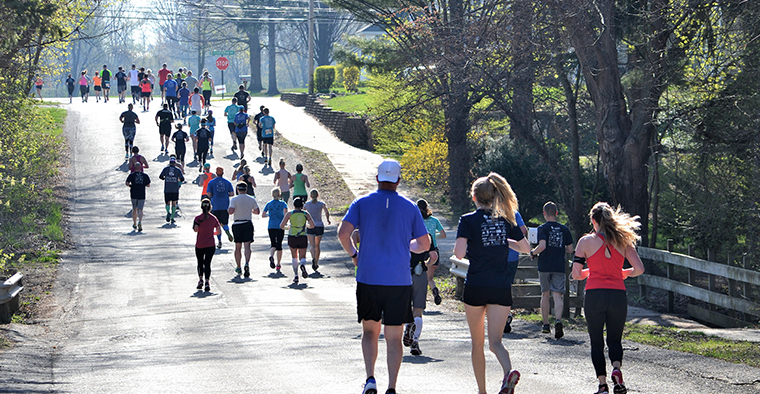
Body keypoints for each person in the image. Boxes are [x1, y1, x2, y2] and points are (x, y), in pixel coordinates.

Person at [337, 159, 430, 394]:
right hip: (398, 280)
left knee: (370, 331)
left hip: (368, 277)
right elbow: (424, 243)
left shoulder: (362, 203)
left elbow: (343, 233)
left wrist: (354, 255)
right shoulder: (410, 207)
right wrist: (405, 245)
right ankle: (391, 387)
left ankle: (370, 379)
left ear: (377, 178)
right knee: (394, 336)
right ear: (399, 180)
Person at [452, 172, 530, 394]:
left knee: (477, 343)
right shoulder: (507, 219)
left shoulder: (467, 220)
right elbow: (526, 249)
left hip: (476, 285)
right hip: (500, 286)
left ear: (474, 197)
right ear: (495, 196)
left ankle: (482, 391)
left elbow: (459, 253)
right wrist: (504, 241)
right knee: (495, 342)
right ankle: (508, 373)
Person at [572, 202, 645, 394]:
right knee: (615, 340)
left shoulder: (585, 242)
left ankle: (602, 385)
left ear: (593, 221)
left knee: (596, 342)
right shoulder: (624, 241)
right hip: (617, 295)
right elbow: (639, 269)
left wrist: (591, 270)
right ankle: (617, 371)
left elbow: (576, 274)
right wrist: (623, 273)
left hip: (595, 294)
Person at [530, 201, 574, 339]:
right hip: (559, 266)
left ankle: (545, 324)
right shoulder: (564, 229)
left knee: (545, 295)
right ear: (556, 213)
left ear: (544, 213)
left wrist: (533, 252)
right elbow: (570, 249)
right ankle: (558, 320)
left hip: (544, 266)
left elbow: (542, 246)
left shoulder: (542, 228)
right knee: (557, 295)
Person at [403, 232, 432, 356]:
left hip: (403, 274)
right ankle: (415, 341)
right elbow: (434, 256)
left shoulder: (401, 233)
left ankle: (408, 325)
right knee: (418, 309)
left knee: (404, 307)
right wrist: (427, 264)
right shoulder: (425, 236)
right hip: (420, 274)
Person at [417, 199, 446, 305]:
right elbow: (443, 235)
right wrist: (433, 236)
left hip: (420, 250)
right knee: (429, 278)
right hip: (433, 250)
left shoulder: (417, 221)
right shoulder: (434, 220)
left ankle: (420, 298)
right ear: (427, 207)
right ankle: (434, 291)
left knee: (417, 276)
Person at [229, 182, 261, 278]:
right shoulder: (251, 199)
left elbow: (231, 211)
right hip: (247, 223)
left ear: (238, 190)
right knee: (247, 246)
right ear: (246, 189)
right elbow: (257, 211)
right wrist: (250, 210)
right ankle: (247, 263)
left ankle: (238, 266)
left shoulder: (234, 199)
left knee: (238, 247)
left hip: (237, 223)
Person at [280, 197, 315, 284]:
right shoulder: (305, 214)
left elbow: (281, 226)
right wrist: (307, 226)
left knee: (294, 256)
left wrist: (287, 227)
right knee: (302, 256)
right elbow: (312, 225)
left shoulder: (289, 214)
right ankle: (302, 265)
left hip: (292, 236)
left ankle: (296, 275)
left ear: (294, 205)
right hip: (302, 236)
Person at [504, 211, 528, 333]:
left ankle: (500, 315)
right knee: (508, 285)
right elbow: (523, 230)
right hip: (513, 255)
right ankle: (506, 313)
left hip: (496, 256)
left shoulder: (489, 212)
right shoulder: (513, 213)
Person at [193, 199, 222, 293]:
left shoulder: (198, 218)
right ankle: (207, 282)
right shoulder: (214, 218)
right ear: (210, 207)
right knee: (207, 263)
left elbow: (195, 229)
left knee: (200, 262)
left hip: (200, 244)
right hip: (210, 244)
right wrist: (212, 233)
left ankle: (200, 279)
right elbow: (218, 231)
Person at [206, 167, 235, 250]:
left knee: (216, 225)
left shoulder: (211, 182)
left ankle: (219, 241)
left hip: (215, 205)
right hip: (225, 205)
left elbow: (208, 193)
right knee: (224, 223)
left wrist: (214, 195)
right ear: (223, 173)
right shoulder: (227, 182)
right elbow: (232, 193)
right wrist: (225, 194)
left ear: (216, 172)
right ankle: (227, 231)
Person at [262, 187, 288, 272]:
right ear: (280, 195)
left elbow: (263, 214)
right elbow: (285, 214)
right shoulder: (283, 204)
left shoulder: (269, 204)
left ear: (272, 195)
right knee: (279, 244)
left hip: (271, 226)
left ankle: (271, 256)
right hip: (280, 225)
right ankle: (278, 264)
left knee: (273, 243)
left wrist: (269, 215)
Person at [304, 189, 330, 271]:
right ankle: (316, 262)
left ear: (310, 196)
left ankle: (313, 258)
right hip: (319, 225)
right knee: (317, 245)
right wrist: (328, 220)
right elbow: (326, 211)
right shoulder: (321, 204)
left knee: (311, 245)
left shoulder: (307, 204)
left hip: (310, 226)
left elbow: (303, 213)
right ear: (318, 196)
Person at [159, 157, 185, 224]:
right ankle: (172, 218)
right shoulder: (178, 170)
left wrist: (166, 178)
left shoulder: (166, 169)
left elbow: (161, 176)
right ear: (175, 163)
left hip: (167, 188)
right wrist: (177, 179)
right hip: (175, 189)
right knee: (174, 203)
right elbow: (182, 179)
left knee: (167, 202)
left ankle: (168, 212)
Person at [126, 162, 150, 232]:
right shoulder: (145, 175)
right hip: (141, 194)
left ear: (134, 168)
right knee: (140, 209)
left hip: (133, 194)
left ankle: (135, 223)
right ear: (141, 168)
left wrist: (131, 186)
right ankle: (140, 221)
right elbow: (148, 185)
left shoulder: (131, 175)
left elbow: (127, 183)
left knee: (134, 209)